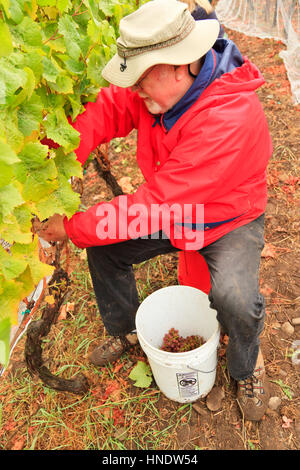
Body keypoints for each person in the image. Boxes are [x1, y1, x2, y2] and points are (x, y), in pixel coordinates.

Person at [39, 0, 273, 421]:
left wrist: (72, 227)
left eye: (142, 75)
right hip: (175, 210)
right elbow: (107, 110)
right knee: (108, 249)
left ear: (180, 64)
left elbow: (154, 207)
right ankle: (129, 330)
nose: (135, 88)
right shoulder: (158, 92)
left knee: (234, 299)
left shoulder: (228, 119)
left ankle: (245, 368)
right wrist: (55, 158)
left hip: (226, 218)